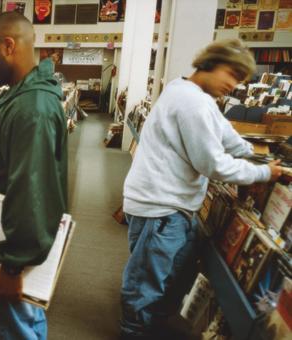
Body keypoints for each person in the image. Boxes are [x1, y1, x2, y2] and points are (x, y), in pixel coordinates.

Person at [120, 39, 282, 339]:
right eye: (231, 74)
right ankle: (134, 332)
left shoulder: (192, 94)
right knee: (145, 283)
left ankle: (150, 325)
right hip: (161, 209)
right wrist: (263, 172)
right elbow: (214, 165)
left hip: (172, 207)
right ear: (209, 63)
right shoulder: (191, 102)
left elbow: (225, 134)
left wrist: (257, 155)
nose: (233, 85)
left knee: (169, 276)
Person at [0, 12, 67, 339]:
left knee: (15, 329)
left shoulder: (32, 108)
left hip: (12, 258)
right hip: (1, 243)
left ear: (8, 46)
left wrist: (12, 265)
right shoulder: (20, 96)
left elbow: (30, 189)